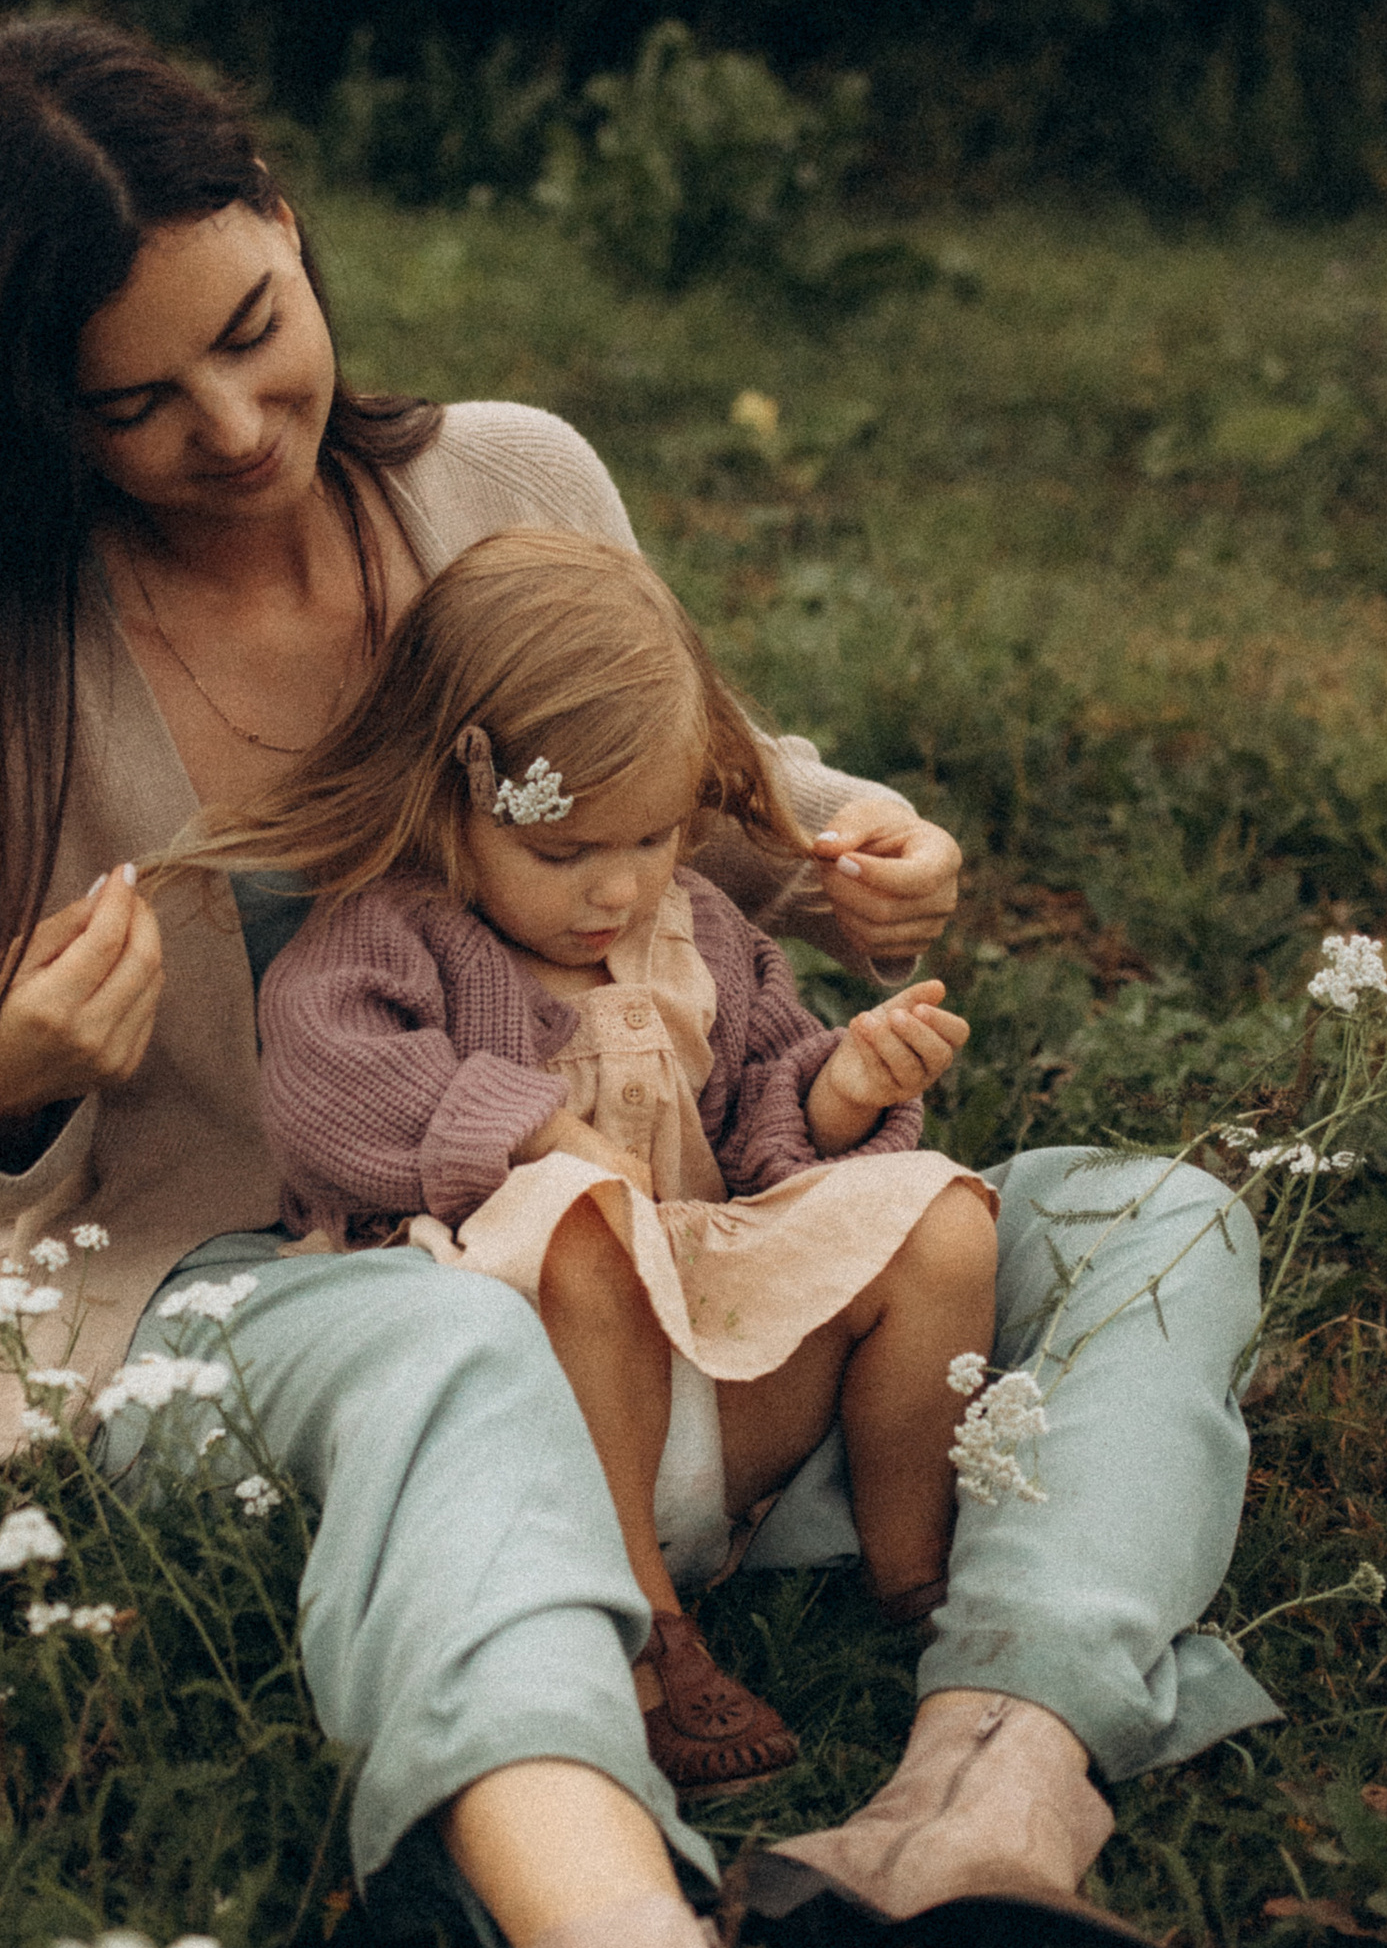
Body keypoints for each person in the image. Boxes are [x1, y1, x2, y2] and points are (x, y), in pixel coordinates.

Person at [0, 13, 1278, 1948]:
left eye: (255, 329)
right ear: (23, 417)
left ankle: (976, 1814)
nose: (237, 426)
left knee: (1156, 1215)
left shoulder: (503, 474)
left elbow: (690, 764)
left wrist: (853, 832)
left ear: (291, 222)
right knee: (457, 1321)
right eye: (133, 402)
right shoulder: (11, 655)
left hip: (659, 1276)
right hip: (283, 1304)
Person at [164, 526, 1001, 1804]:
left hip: (698, 1382)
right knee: (572, 1215)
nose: (616, 890)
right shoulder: (391, 937)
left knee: (936, 1219)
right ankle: (648, 1633)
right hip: (524, 1394)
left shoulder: (700, 937)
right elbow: (327, 1093)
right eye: (564, 854)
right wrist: (540, 1132)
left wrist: (838, 1092)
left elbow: (754, 1140)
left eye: (654, 840)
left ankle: (914, 1579)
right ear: (453, 806)